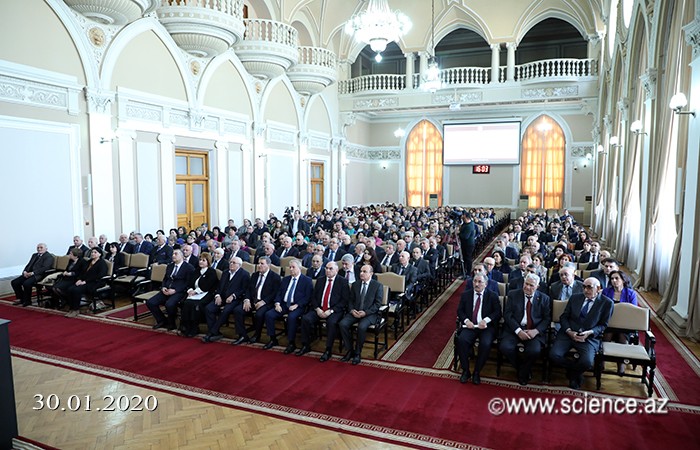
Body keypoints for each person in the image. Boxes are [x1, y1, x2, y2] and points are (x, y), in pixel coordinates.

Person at [549, 277, 614, 389]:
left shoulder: (607, 303)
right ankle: (574, 370)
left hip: (588, 337)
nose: (585, 290)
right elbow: (564, 317)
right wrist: (569, 331)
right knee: (554, 355)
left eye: (589, 287)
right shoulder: (575, 298)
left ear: (598, 288)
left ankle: (573, 375)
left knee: (587, 362)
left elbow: (603, 325)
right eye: (584, 286)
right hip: (568, 334)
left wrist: (590, 332)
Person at [500, 273, 551, 385]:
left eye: (531, 285)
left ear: (537, 287)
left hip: (533, 330)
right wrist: (518, 331)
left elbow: (547, 319)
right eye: (526, 284)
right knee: (505, 347)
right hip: (514, 329)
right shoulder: (513, 294)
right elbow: (508, 315)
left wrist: (536, 331)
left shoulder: (544, 299)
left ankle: (523, 372)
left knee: (534, 351)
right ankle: (523, 370)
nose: (527, 287)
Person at [296, 261, 350, 361]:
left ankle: (328, 349)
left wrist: (331, 311)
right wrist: (317, 309)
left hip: (334, 310)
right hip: (319, 309)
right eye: (326, 268)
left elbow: (344, 301)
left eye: (331, 269)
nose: (328, 271)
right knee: (305, 319)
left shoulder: (342, 281)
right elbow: (313, 297)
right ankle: (305, 345)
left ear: (337, 270)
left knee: (331, 322)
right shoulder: (320, 280)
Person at [455, 274, 501, 385]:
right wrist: (466, 321)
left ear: (486, 284)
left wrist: (486, 320)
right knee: (461, 340)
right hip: (470, 326)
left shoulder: (492, 295)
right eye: (475, 281)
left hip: (486, 327)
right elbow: (460, 311)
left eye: (480, 282)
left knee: (485, 344)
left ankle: (477, 372)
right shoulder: (466, 295)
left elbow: (497, 312)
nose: (476, 284)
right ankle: (466, 371)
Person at [263, 259, 313, 353]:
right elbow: (279, 293)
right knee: (269, 314)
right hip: (284, 305)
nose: (291, 269)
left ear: (300, 268)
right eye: (290, 267)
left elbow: (307, 297)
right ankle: (273, 339)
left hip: (298, 306)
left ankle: (291, 343)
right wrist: (277, 303)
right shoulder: (285, 279)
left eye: (293, 267)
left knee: (291, 317)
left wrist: (297, 305)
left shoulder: (307, 280)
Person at [338, 265, 383, 365]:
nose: (361, 273)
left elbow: (377, 304)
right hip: (355, 312)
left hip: (369, 314)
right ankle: (350, 350)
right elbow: (350, 300)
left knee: (362, 327)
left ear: (371, 273)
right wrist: (352, 310)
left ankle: (358, 353)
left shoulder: (377, 286)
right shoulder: (355, 284)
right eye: (361, 271)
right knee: (343, 324)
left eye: (364, 271)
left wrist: (365, 312)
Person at [232, 256, 281, 344]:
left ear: (268, 265)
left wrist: (264, 302)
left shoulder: (275, 277)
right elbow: (248, 289)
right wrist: (246, 299)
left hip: (266, 302)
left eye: (262, 263)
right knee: (238, 310)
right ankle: (243, 335)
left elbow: (275, 293)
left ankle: (257, 335)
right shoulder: (254, 275)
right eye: (258, 263)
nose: (259, 265)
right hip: (252, 301)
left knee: (259, 314)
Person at [202, 257, 250, 343]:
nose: (231, 264)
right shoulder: (225, 272)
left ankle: (212, 332)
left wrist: (234, 296)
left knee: (226, 311)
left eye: (234, 263)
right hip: (222, 297)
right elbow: (220, 286)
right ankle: (215, 332)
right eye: (230, 262)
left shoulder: (244, 274)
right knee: (209, 308)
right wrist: (217, 295)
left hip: (235, 299)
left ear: (239, 265)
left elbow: (244, 289)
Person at [146, 249, 195, 330]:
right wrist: (163, 287)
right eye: (172, 254)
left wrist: (175, 290)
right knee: (150, 302)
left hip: (179, 292)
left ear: (182, 256)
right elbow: (165, 279)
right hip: (166, 290)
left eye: (176, 254)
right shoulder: (170, 266)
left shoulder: (189, 268)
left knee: (169, 304)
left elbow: (188, 283)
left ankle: (172, 323)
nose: (173, 256)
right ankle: (162, 320)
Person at [602, 270, 638, 374]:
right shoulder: (606, 292)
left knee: (622, 336)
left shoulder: (630, 293)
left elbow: (633, 311)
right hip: (609, 322)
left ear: (623, 280)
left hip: (625, 323)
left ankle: (621, 364)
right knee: (607, 334)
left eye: (617, 278)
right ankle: (602, 360)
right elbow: (602, 308)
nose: (614, 281)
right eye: (612, 278)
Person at [179, 253, 219, 337]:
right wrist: (190, 290)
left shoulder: (211, 272)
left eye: (203, 260)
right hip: (193, 292)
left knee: (195, 305)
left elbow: (208, 285)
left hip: (206, 293)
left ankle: (194, 328)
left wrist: (196, 291)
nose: (201, 262)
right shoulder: (196, 270)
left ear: (208, 262)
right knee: (185, 303)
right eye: (200, 260)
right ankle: (186, 326)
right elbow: (190, 282)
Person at [65, 248, 108, 317]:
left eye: (95, 252)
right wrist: (80, 279)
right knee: (70, 289)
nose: (92, 254)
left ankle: (76, 309)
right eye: (92, 252)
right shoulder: (89, 261)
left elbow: (99, 276)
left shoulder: (102, 263)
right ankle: (71, 309)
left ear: (100, 254)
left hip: (95, 282)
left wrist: (85, 281)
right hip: (85, 281)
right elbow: (83, 272)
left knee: (76, 290)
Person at [458, 212, 476, 277]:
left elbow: (465, 236)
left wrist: (458, 233)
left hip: (468, 244)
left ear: (467, 218)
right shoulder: (466, 223)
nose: (462, 217)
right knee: (464, 258)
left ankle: (468, 272)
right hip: (464, 244)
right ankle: (463, 270)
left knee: (468, 258)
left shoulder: (469, 226)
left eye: (464, 217)